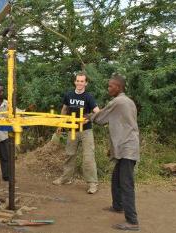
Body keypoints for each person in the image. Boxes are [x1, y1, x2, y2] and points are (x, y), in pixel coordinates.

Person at [91, 73, 140, 231]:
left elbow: (100, 118)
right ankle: (118, 206)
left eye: (111, 86)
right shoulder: (128, 101)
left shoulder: (118, 101)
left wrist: (88, 117)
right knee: (116, 179)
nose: (108, 88)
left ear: (119, 87)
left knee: (126, 184)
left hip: (127, 149)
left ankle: (132, 222)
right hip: (126, 146)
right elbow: (123, 125)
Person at [52, 72, 100, 194]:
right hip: (72, 130)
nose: (79, 83)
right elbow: (64, 109)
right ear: (75, 82)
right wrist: (60, 124)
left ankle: (92, 183)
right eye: (78, 81)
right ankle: (66, 178)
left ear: (86, 83)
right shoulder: (69, 95)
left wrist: (88, 118)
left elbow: (97, 112)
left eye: (82, 81)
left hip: (86, 131)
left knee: (88, 157)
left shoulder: (89, 97)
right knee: (69, 154)